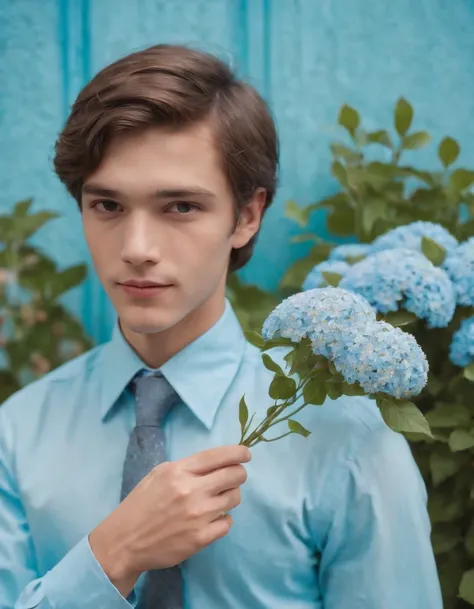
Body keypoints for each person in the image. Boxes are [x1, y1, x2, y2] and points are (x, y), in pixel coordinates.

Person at [0, 44, 442, 609]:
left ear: (247, 215)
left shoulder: (346, 436)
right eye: (107, 205)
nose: (136, 250)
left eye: (180, 206)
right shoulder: (17, 434)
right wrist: (113, 555)